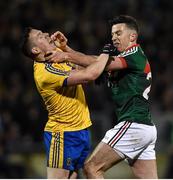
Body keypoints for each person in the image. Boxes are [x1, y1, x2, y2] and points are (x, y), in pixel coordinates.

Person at [46, 15, 158, 179]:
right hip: (145, 128)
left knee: (92, 167)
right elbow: (96, 61)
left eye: (119, 33)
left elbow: (97, 63)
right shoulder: (124, 57)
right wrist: (67, 49)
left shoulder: (133, 54)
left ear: (132, 36)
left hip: (133, 124)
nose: (114, 38)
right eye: (112, 34)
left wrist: (66, 55)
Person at [21, 27, 110, 178]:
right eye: (40, 36)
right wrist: (108, 53)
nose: (47, 34)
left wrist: (65, 48)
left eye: (44, 32)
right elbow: (90, 74)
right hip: (62, 135)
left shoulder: (56, 56)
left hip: (81, 130)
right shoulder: (45, 72)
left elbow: (88, 63)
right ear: (35, 50)